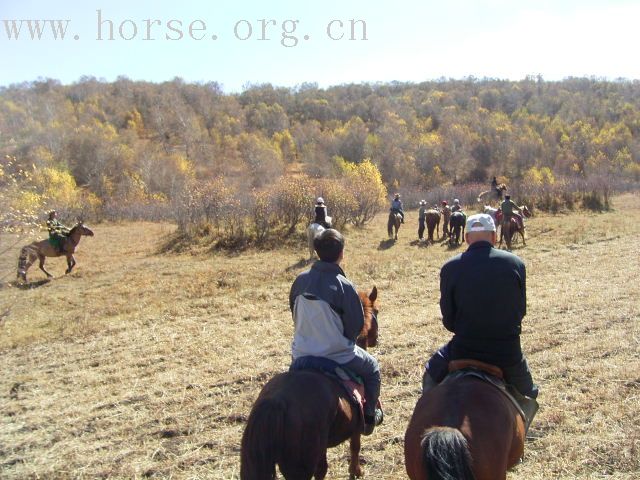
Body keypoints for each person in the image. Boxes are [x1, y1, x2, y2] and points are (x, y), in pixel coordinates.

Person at [422, 213, 538, 405]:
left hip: (463, 348)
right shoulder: (515, 264)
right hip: (507, 351)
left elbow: (449, 319)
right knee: (529, 395)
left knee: (430, 376)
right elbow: (520, 311)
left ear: (466, 238)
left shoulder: (450, 267)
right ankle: (525, 430)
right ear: (494, 236)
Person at [289, 229, 383, 435]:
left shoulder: (299, 281)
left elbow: (294, 315)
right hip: (337, 354)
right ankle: (369, 417)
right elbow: (356, 328)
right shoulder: (344, 286)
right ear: (342, 253)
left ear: (316, 251)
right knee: (373, 369)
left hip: (301, 353)